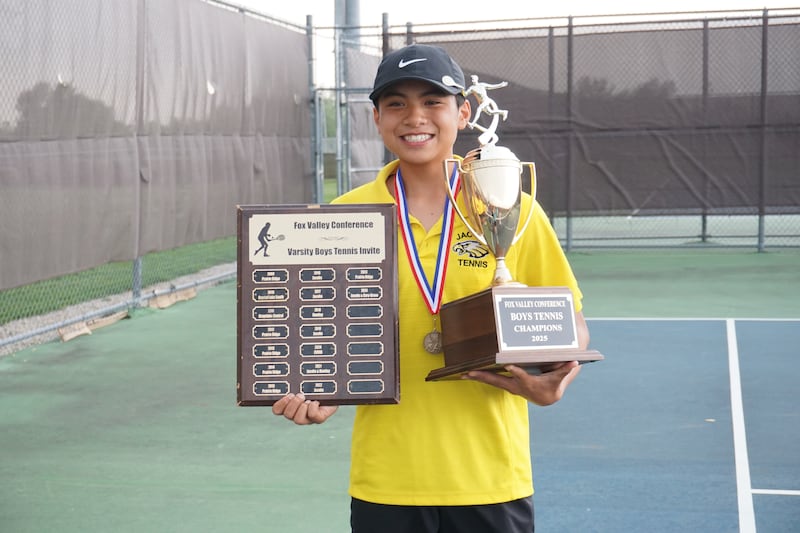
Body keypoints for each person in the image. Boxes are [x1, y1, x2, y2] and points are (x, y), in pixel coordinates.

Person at [272, 43, 589, 533]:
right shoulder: (342, 218)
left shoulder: (513, 208)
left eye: (433, 101)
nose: (414, 116)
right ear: (376, 117)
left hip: (491, 477)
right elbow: (326, 339)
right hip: (389, 480)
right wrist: (320, 389)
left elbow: (572, 327)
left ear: (462, 113)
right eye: (396, 103)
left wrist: (553, 378)